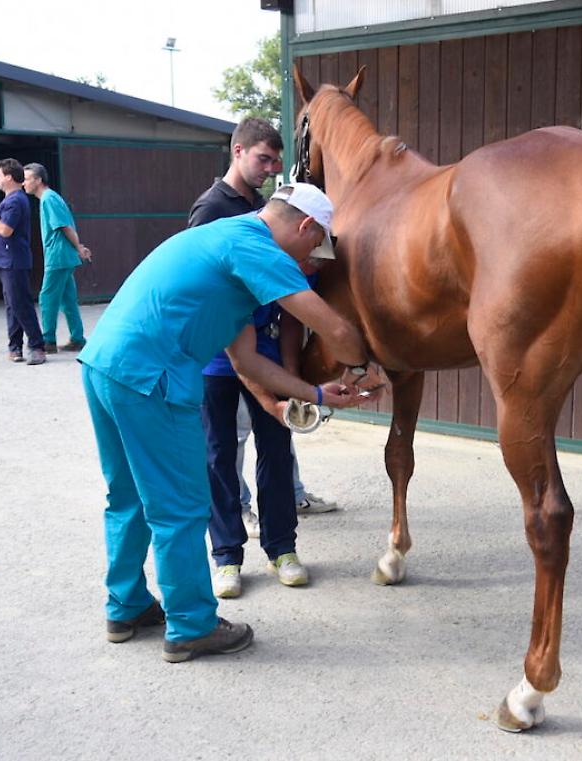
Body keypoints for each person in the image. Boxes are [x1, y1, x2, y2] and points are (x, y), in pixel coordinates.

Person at [79, 182, 385, 662]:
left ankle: (126, 604)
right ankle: (190, 627)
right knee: (181, 506)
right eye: (315, 245)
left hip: (106, 366)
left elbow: (246, 362)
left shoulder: (226, 243)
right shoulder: (258, 248)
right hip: (151, 378)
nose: (310, 259)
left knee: (129, 495)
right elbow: (337, 330)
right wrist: (366, 366)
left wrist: (316, 394)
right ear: (306, 226)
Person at [188, 118, 335, 564]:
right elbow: (218, 304)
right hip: (222, 351)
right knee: (221, 451)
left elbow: (289, 296)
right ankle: (227, 554)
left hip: (265, 346)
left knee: (275, 444)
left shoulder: (268, 205)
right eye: (262, 159)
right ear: (237, 151)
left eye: (275, 162)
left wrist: (289, 374)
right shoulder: (211, 209)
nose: (270, 169)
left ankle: (282, 548)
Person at [21, 163, 91, 354]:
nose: (23, 183)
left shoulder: (48, 199)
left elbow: (64, 227)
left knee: (47, 298)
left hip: (58, 256)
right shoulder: (51, 198)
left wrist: (79, 247)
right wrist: (78, 247)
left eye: (26, 179)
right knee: (68, 299)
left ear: (38, 180)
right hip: (63, 256)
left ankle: (48, 340)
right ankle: (77, 338)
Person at [0, 158, 46, 365]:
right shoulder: (13, 199)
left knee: (20, 303)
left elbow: (5, 230)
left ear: (9, 177)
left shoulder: (14, 201)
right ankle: (15, 346)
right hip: (6, 260)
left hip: (13, 260)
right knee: (12, 304)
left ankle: (37, 346)